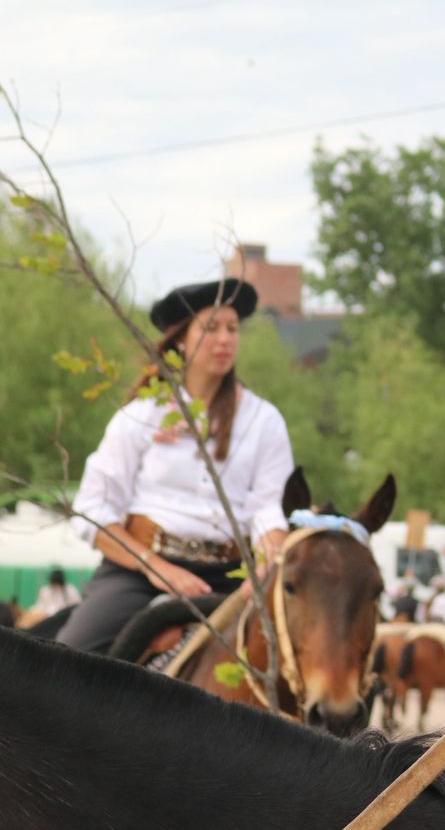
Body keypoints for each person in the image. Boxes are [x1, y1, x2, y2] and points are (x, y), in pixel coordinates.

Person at [57, 278, 295, 653]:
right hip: (140, 574)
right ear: (181, 339)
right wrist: (156, 567)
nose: (225, 339)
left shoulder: (264, 421)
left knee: (295, 657)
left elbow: (269, 508)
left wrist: (264, 571)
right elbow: (92, 510)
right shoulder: (140, 415)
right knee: (70, 657)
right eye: (211, 328)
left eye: (232, 329)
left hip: (230, 577)